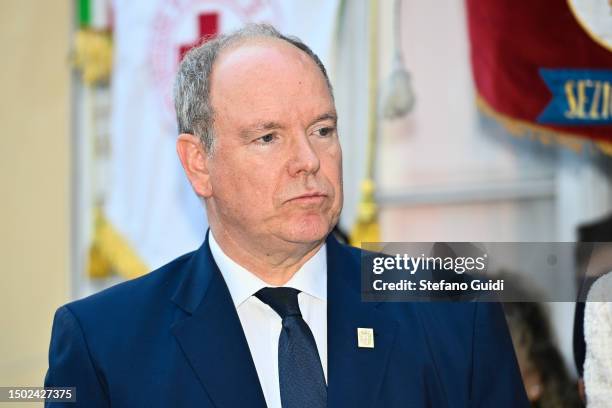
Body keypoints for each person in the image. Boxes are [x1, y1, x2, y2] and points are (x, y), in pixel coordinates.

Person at [44, 24, 529, 407]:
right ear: (199, 164)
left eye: (322, 129)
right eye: (268, 137)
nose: (309, 161)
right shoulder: (104, 344)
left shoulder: (451, 313)